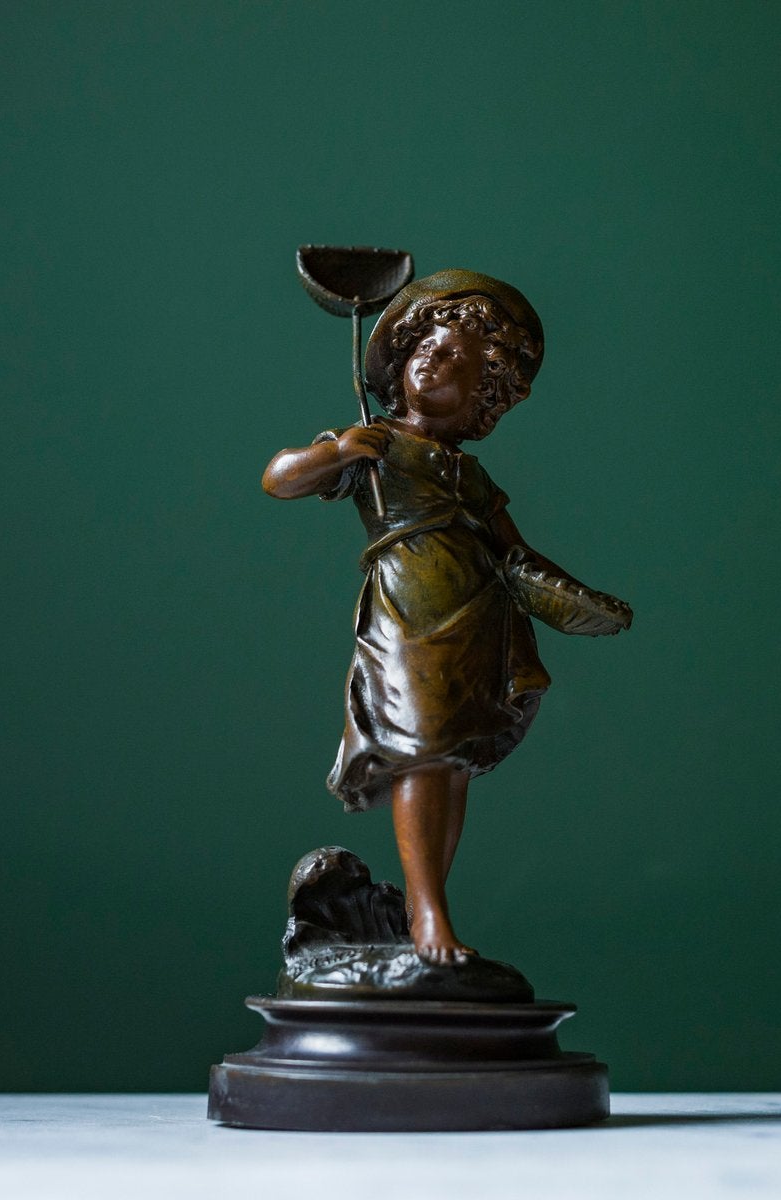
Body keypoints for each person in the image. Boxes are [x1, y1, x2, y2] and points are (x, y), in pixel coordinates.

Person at [262, 270, 630, 965]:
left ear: (481, 399)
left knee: (451, 762)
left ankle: (425, 905)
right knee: (424, 753)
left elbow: (517, 555)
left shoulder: (473, 475)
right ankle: (428, 916)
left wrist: (576, 602)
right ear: (400, 361)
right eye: (426, 346)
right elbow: (279, 478)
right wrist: (334, 454)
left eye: (458, 357)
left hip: (478, 621)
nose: (434, 358)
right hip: (408, 615)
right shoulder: (374, 446)